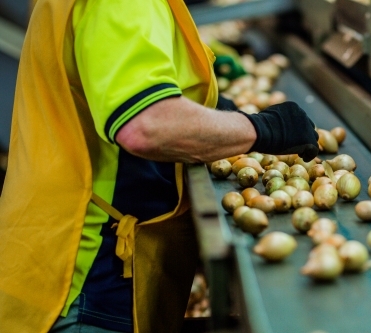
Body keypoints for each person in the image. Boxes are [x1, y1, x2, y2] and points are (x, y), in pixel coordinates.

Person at [0, 0, 319, 332]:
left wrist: (209, 109)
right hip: (88, 273)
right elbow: (145, 126)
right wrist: (262, 129)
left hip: (46, 245)